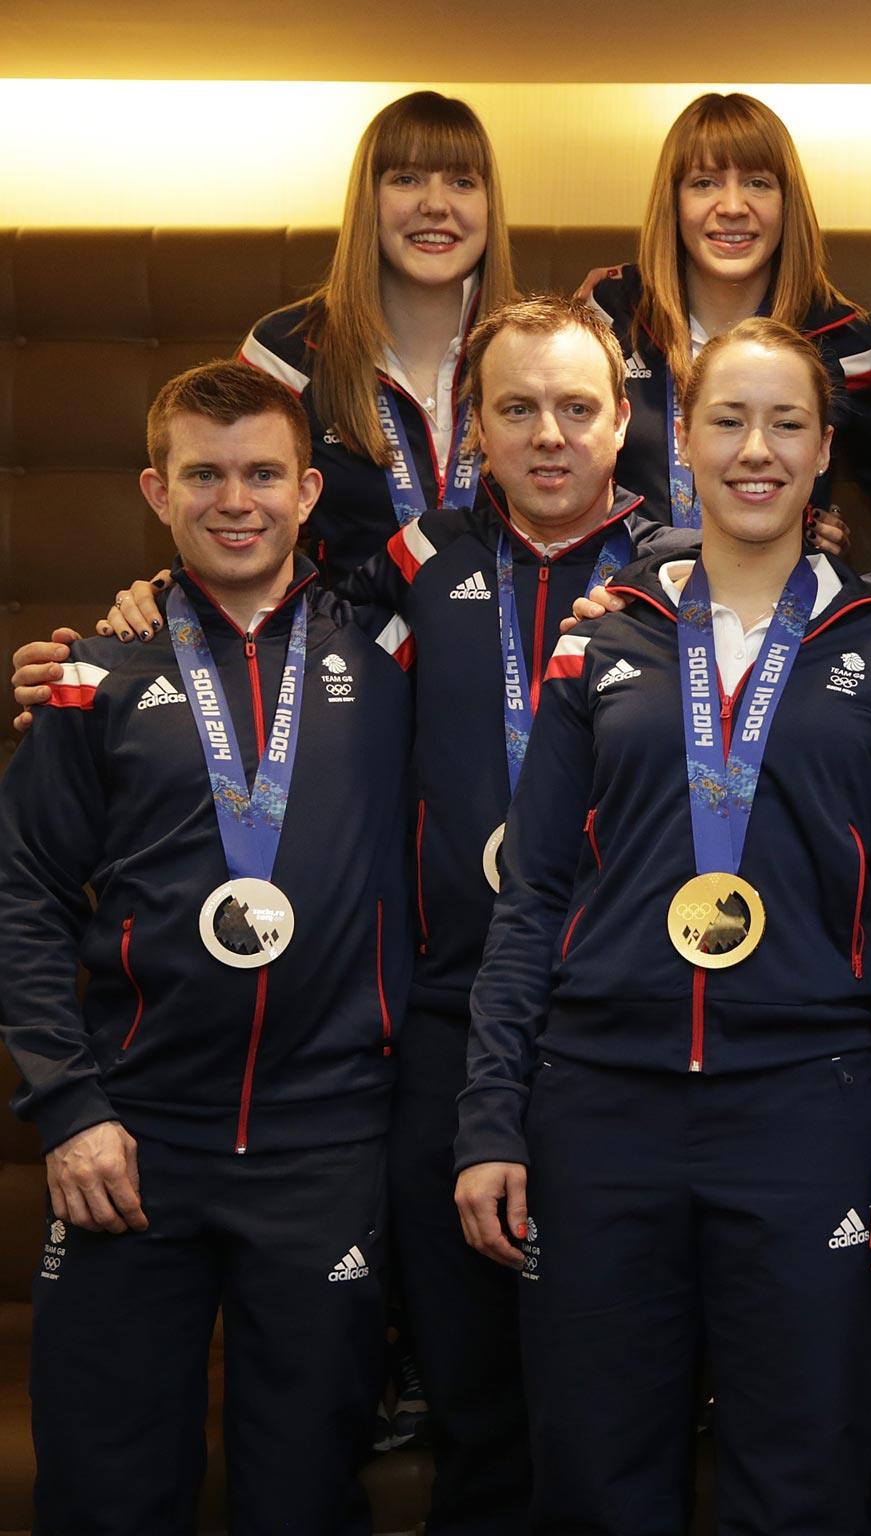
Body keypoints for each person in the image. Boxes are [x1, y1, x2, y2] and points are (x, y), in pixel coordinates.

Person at [452, 317, 871, 1533]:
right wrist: (490, 1115)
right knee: (592, 1469)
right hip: (599, 1109)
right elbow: (532, 898)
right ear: (678, 442)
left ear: (821, 448)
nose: (755, 449)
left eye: (785, 422)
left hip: (807, 1109)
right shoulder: (603, 637)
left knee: (799, 1476)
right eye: (727, 420)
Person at [0, 362, 411, 1531]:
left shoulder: (391, 657)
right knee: (107, 1494)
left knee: (303, 1495)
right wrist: (70, 1109)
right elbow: (22, 893)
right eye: (204, 475)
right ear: (156, 489)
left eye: (262, 475)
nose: (236, 500)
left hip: (328, 1139)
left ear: (306, 489)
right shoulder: (92, 675)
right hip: (131, 1144)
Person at [577, 91, 871, 548]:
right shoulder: (612, 314)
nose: (734, 206)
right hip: (625, 596)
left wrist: (836, 519)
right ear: (674, 201)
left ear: (787, 202)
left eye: (759, 183)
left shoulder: (844, 338)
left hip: (784, 604)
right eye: (704, 183)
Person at [240, 91, 517, 578]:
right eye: (406, 179)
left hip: (516, 648)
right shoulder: (284, 350)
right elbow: (224, 502)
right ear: (370, 198)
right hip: (338, 646)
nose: (435, 204)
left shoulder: (538, 349)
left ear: (489, 204)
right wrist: (166, 589)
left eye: (462, 181)